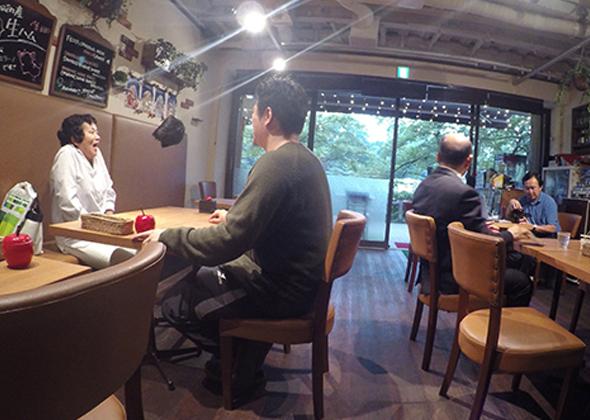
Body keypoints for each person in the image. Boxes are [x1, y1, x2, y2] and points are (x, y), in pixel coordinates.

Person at [136, 73, 333, 402]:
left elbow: (226, 243)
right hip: (300, 284)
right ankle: (242, 359)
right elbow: (273, 222)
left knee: (176, 303)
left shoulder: (277, 164)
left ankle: (237, 368)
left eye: (252, 114)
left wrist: (166, 235)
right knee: (204, 277)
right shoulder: (306, 159)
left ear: (267, 115)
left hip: (282, 291)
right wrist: (233, 218)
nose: (250, 121)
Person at [412, 133, 533, 307]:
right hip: (455, 278)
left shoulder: (424, 186)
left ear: (438, 157)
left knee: (514, 262)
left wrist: (482, 228)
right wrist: (512, 233)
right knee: (521, 282)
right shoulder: (464, 193)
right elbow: (488, 243)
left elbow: (458, 226)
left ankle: (486, 319)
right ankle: (493, 323)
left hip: (430, 277)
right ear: (468, 161)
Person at [50, 114, 134, 269]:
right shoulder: (66, 154)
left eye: (97, 132)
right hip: (75, 236)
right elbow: (67, 201)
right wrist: (95, 227)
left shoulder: (97, 155)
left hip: (102, 232)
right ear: (75, 139)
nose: (98, 137)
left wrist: (109, 216)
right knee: (125, 260)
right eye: (91, 132)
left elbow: (109, 190)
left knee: (144, 252)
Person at [506, 172, 560, 237]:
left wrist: (532, 227)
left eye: (533, 188)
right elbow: (508, 219)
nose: (530, 192)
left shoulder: (549, 202)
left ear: (540, 187)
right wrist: (510, 205)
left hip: (546, 238)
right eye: (527, 188)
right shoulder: (522, 200)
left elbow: (553, 228)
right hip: (528, 236)